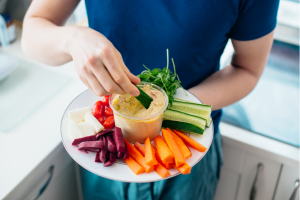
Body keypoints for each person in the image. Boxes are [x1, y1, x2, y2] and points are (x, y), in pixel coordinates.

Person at [22, 0, 279, 199]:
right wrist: (72, 38)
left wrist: (168, 108)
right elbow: (33, 31)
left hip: (185, 154)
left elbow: (248, 70)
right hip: (107, 153)